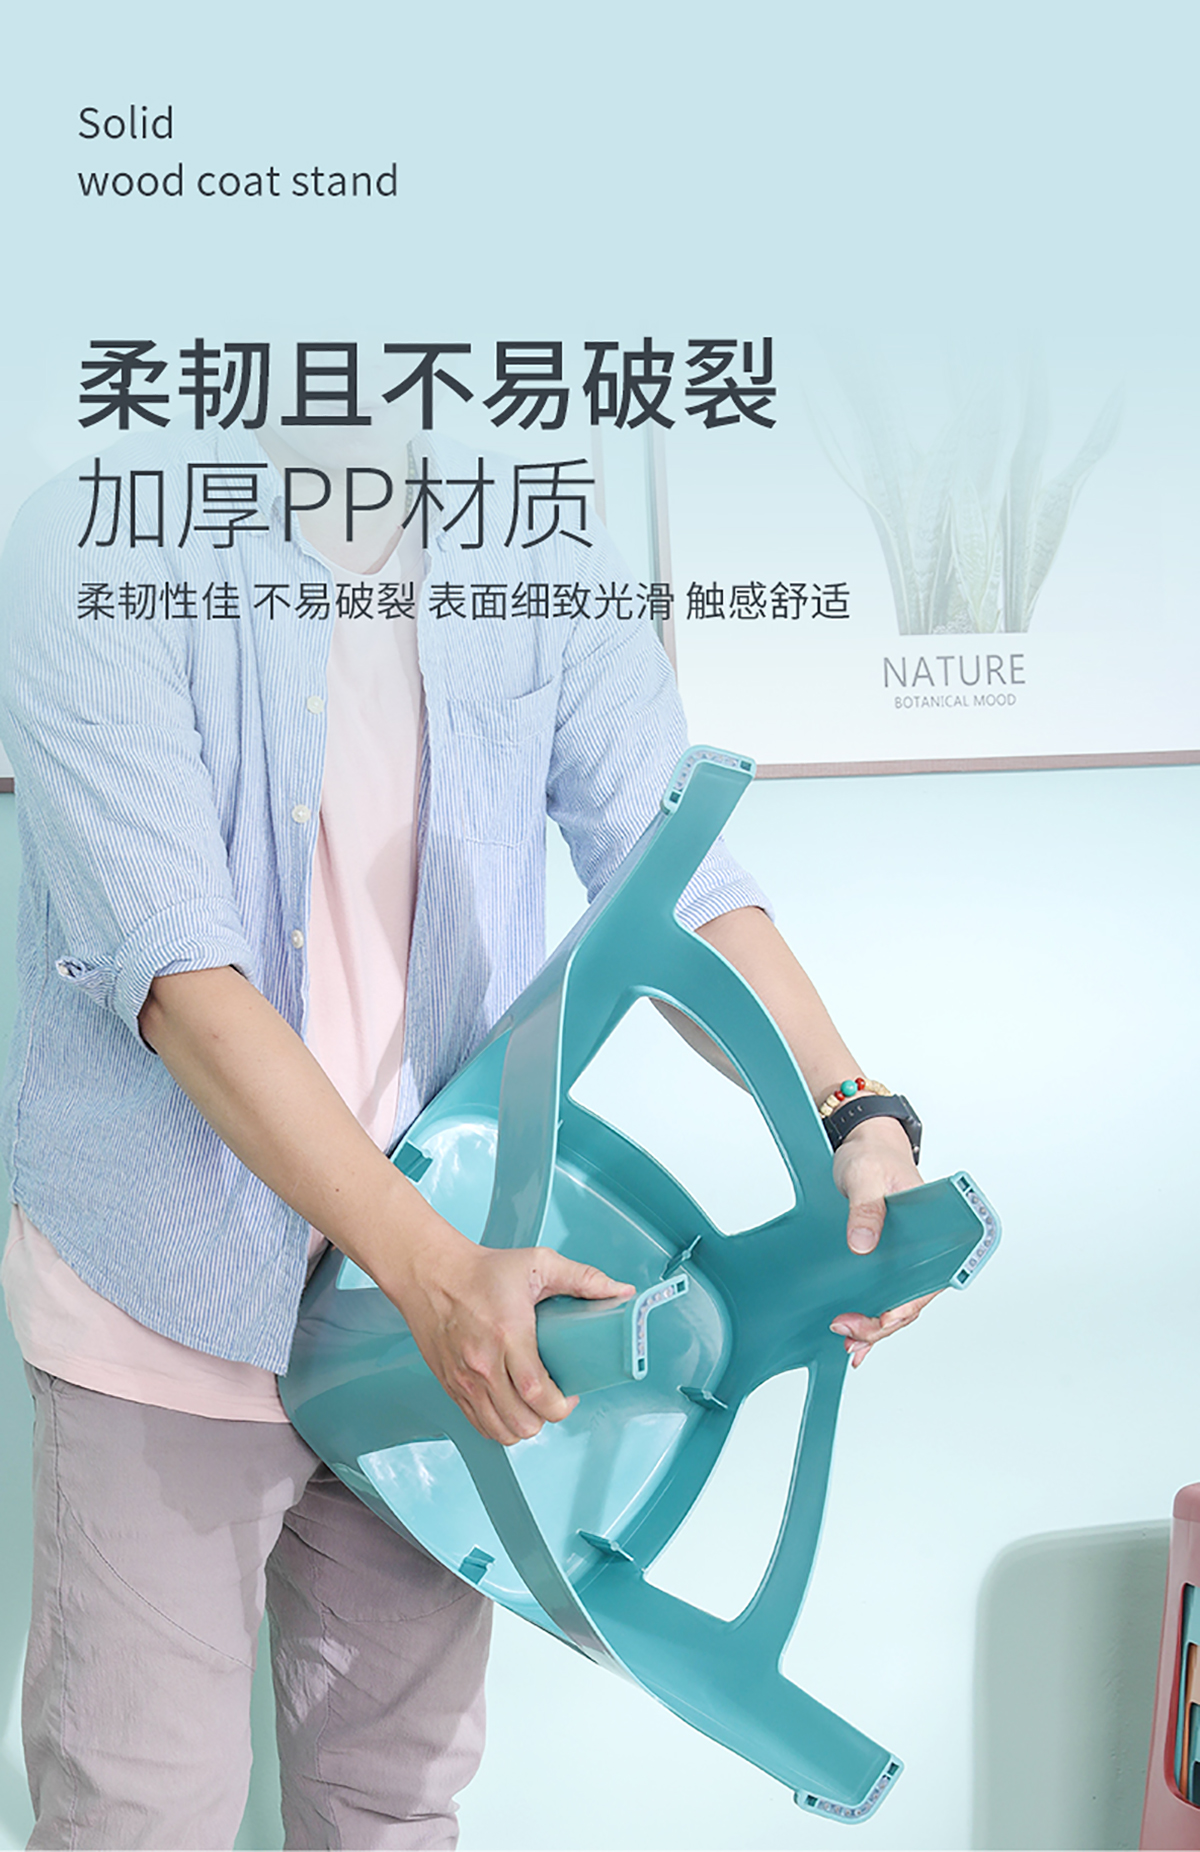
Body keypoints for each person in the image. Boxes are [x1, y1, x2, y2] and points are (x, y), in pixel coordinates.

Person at [0, 401, 930, 1851]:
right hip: (172, 1283)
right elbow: (180, 982)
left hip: (438, 1306)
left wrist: (850, 1117)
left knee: (392, 1804)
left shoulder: (538, 542)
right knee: (140, 1815)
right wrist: (438, 1278)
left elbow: (673, 877)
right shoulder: (92, 543)